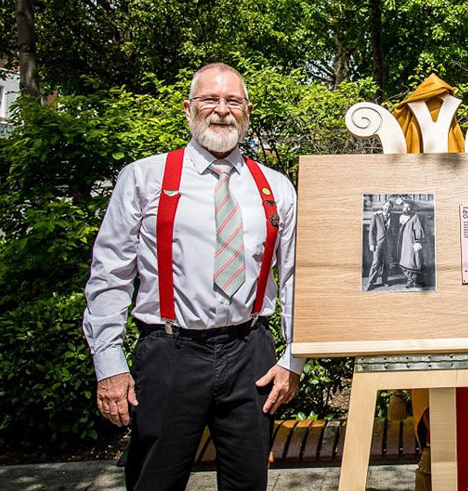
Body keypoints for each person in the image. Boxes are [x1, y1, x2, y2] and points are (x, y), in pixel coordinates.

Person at [82, 63, 303, 490]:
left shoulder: (275, 187)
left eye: (233, 101)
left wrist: (293, 359)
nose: (221, 110)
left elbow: (295, 277)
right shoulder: (144, 177)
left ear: (247, 111)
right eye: (209, 99)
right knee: (155, 481)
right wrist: (109, 365)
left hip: (250, 353)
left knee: (248, 483)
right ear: (188, 108)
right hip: (169, 353)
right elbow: (109, 274)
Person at [397, 200, 426, 288]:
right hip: (403, 244)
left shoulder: (415, 217)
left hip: (411, 243)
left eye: (408, 207)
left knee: (411, 262)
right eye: (404, 207)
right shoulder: (401, 217)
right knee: (404, 262)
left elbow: (418, 229)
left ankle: (412, 281)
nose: (406, 209)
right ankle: (411, 280)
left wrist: (417, 241)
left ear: (411, 208)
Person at [366, 200, 392, 290]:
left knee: (387, 263)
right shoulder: (376, 216)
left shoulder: (394, 216)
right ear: (383, 206)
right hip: (378, 244)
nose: (387, 208)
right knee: (376, 263)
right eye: (386, 206)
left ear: (391, 208)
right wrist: (371, 244)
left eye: (389, 206)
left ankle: (385, 281)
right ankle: (370, 283)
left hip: (389, 245)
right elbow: (371, 231)